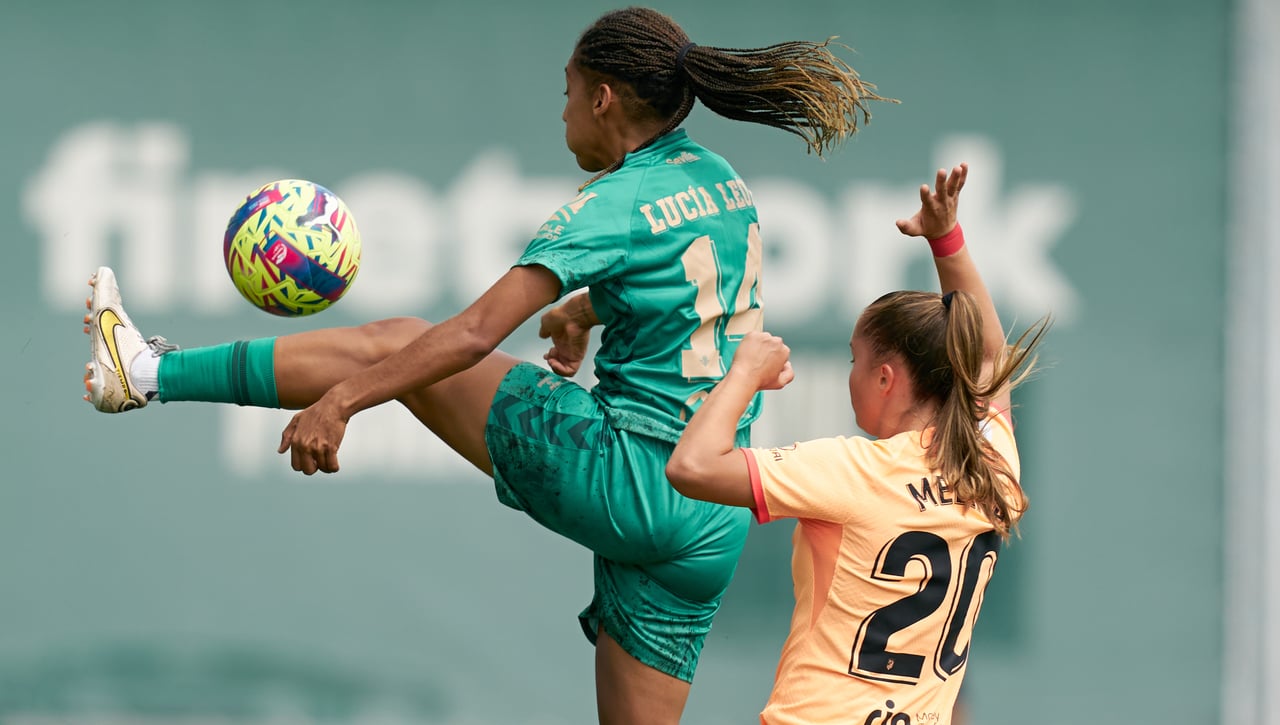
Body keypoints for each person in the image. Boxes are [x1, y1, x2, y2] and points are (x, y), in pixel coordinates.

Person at [79, 7, 890, 723]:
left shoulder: (608, 204)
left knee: (394, 337)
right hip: (710, 512)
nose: (563, 109)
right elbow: (688, 290)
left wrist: (345, 401)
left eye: (567, 89)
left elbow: (469, 334)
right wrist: (584, 308)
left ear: (603, 97)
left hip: (630, 474)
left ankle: (143, 373)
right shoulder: (717, 179)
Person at [665, 163, 1048, 724]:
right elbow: (990, 358)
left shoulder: (855, 472)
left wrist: (743, 371)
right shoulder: (991, 464)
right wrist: (947, 239)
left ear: (887, 378)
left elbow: (692, 466)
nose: (852, 375)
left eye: (855, 359)